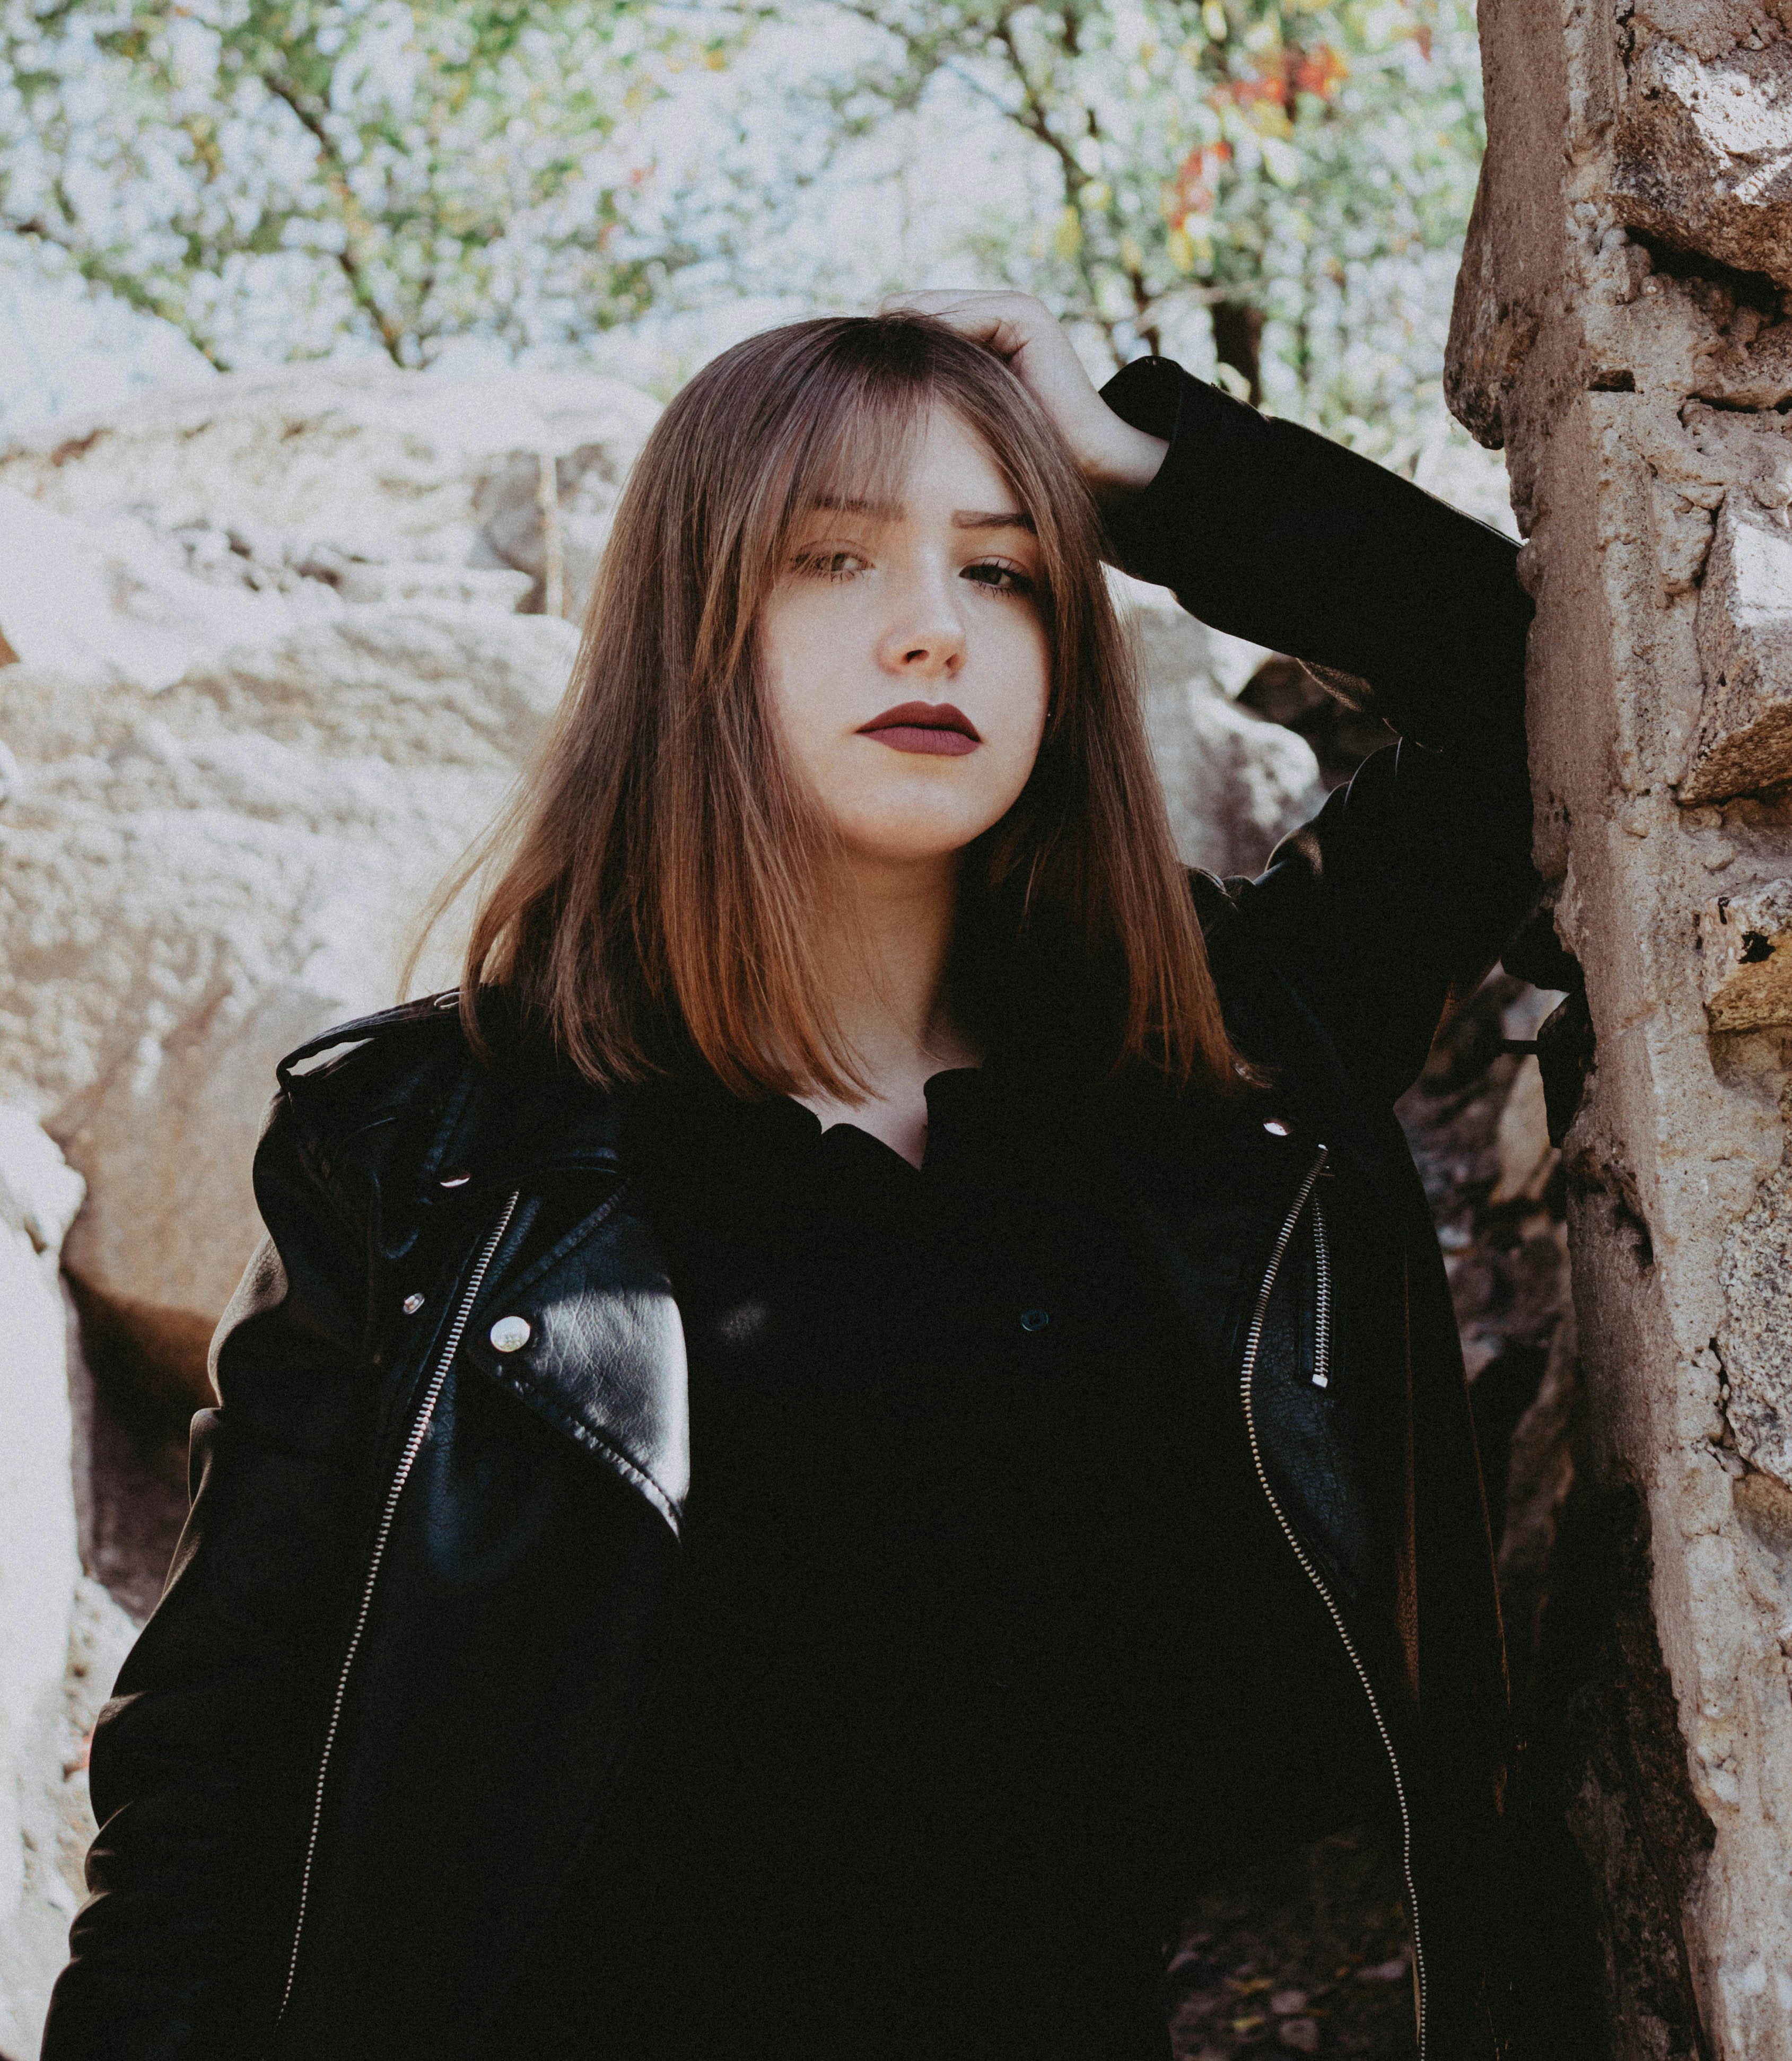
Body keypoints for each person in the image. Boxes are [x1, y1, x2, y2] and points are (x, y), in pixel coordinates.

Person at [42, 292, 1537, 2061]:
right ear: (693, 630)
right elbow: (210, 1768)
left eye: (1003, 571)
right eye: (833, 558)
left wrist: (1146, 463)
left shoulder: (1215, 1073)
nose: (932, 629)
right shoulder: (430, 1147)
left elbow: (1513, 682)